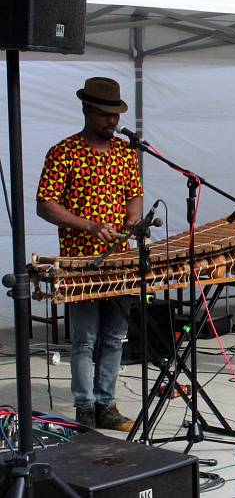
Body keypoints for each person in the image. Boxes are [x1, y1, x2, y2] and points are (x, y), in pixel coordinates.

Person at [36, 77, 143, 430]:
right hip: (80, 264)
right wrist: (88, 225)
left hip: (118, 261)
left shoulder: (127, 155)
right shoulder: (63, 152)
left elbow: (135, 197)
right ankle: (84, 407)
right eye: (105, 115)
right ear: (86, 109)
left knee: (115, 338)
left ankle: (106, 404)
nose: (112, 121)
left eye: (115, 115)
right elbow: (45, 204)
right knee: (84, 339)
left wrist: (132, 219)